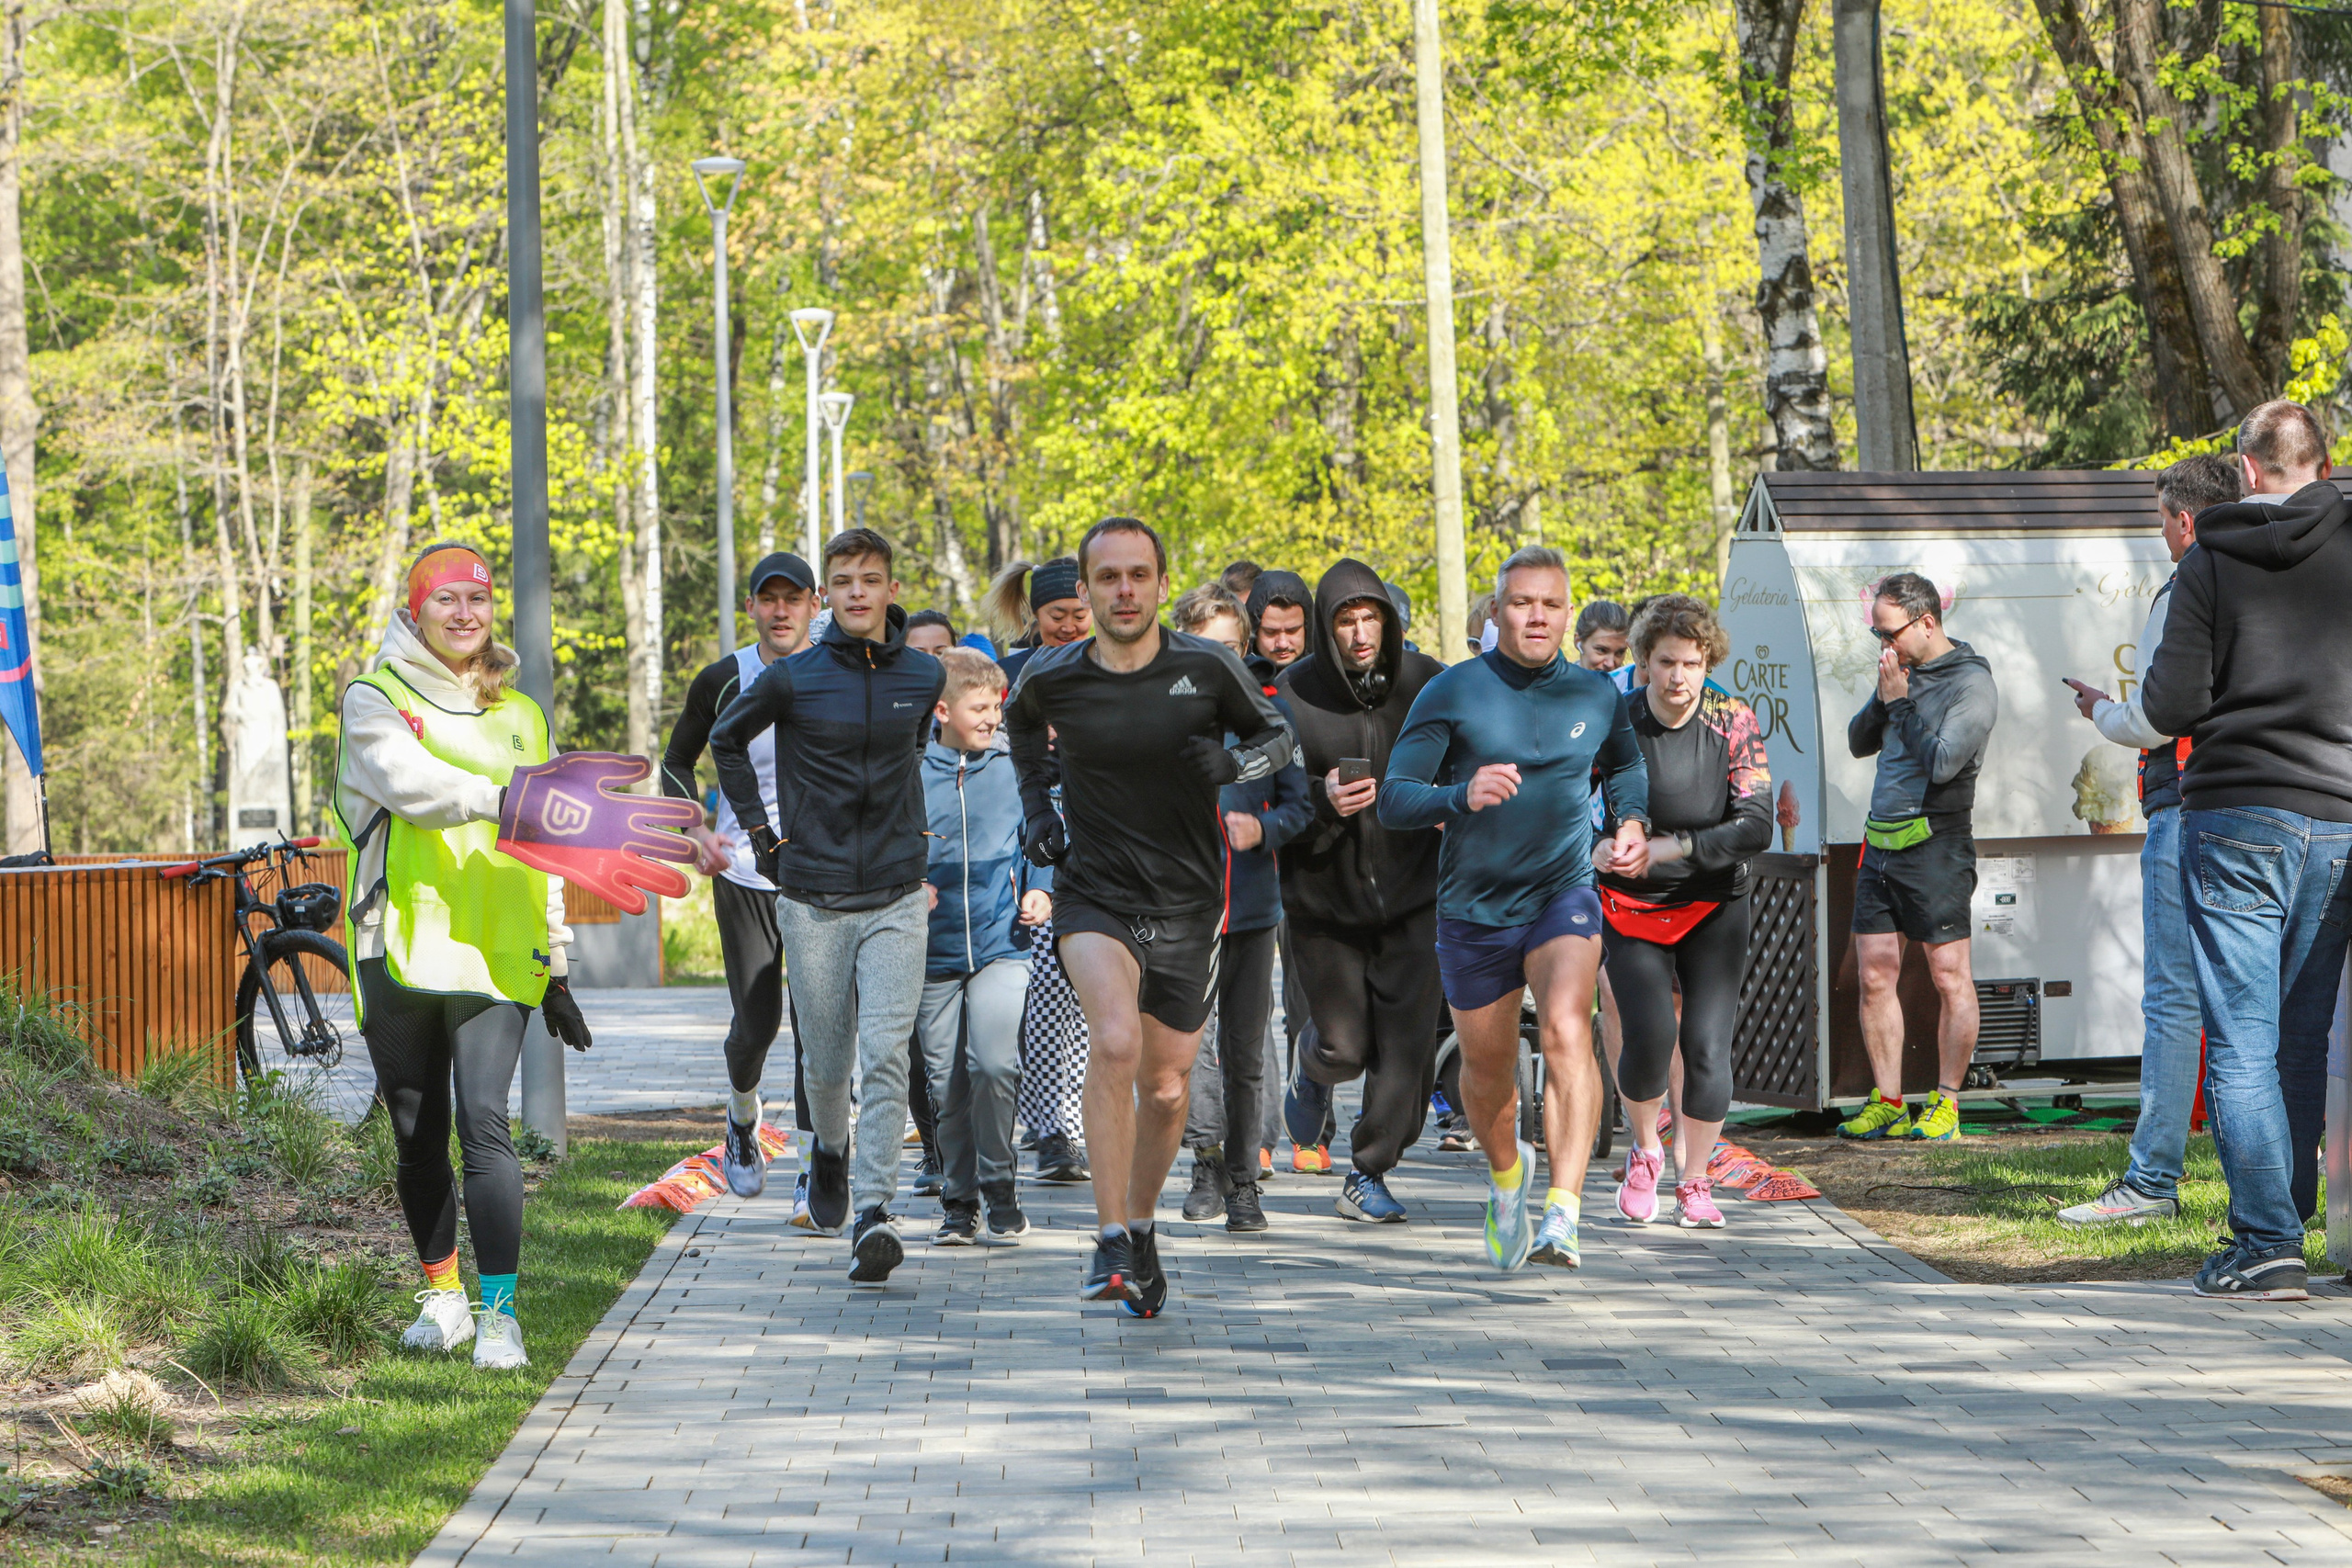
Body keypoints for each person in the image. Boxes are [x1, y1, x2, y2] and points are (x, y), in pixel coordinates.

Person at [1005, 517, 1294, 1314]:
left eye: (1139, 575)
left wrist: (1231, 762)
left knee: (1166, 1089)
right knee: (1117, 1039)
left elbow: (1280, 740)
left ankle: (1140, 1226)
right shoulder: (1050, 674)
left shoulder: (1208, 668)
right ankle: (1106, 1240)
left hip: (1189, 902)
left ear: (1162, 585)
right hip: (1093, 890)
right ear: (1086, 589)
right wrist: (1037, 807)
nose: (1124, 591)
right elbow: (1020, 730)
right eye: (1108, 577)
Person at [335, 542, 595, 1371]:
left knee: (485, 1122)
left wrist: (556, 962)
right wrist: (508, 796)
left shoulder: (521, 714)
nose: (463, 614)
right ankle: (443, 1298)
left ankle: (501, 1315)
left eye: (476, 601)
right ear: (415, 613)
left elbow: (549, 843)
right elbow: (411, 785)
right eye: (445, 600)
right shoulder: (373, 699)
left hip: (494, 943)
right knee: (418, 1133)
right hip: (397, 942)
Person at [1379, 546, 1649, 1272]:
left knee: (1567, 1028)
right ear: (1495, 611)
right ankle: (1508, 1179)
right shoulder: (1453, 691)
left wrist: (1630, 820)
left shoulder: (1595, 695)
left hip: (1563, 892)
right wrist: (1456, 795)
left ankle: (1563, 1209)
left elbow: (1625, 763)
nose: (1537, 615)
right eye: (1522, 602)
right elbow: (1393, 797)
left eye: (1551, 604)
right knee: (1486, 1067)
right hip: (1473, 905)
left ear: (1567, 612)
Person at [2144, 400, 2352, 1302]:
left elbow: (2169, 705)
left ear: (2245, 469)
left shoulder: (2211, 560)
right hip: (2341, 813)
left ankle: (2266, 1241)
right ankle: (2291, 1225)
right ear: (2326, 459)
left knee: (2239, 1039)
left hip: (2236, 816)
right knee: (2301, 1040)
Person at [710, 527, 945, 1286]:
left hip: (898, 895)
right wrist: (762, 836)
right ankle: (830, 1150)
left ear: (888, 589)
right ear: (829, 595)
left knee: (884, 1051)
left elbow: (911, 752)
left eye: (867, 580)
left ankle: (875, 1211)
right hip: (810, 896)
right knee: (828, 1061)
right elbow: (725, 740)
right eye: (841, 581)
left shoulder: (925, 673)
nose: (854, 593)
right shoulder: (793, 678)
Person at [2058, 455, 2241, 1230]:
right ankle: (2269, 1189)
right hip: (2263, 807)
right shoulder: (2272, 578)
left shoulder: (2190, 583)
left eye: (2161, 519)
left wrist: (2103, 710)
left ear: (2185, 519)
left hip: (2187, 800)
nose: (2160, 534)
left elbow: (2158, 714)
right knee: (2246, 1002)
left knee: (2172, 996)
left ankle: (2152, 1179)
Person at [1276, 558, 1446, 1224]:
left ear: (1388, 619)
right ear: (1326, 627)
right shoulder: (1291, 694)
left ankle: (1368, 1169)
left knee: (1406, 1053)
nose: (1358, 632)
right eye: (1344, 620)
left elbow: (1472, 750)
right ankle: (1311, 1068)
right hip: (1324, 904)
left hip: (1415, 894)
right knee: (1346, 1046)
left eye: (1369, 616)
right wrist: (1320, 800)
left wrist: (1448, 799)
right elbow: (1264, 797)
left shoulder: (1427, 681)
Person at [1597, 596, 1772, 1233]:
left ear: (1708, 662)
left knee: (1705, 1045)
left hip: (1714, 899)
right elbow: (1571, 800)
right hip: (1632, 902)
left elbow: (1756, 824)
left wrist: (1680, 846)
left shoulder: (1734, 719)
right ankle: (1645, 1149)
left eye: (1692, 663)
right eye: (1666, 662)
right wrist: (1596, 843)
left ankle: (1694, 1178)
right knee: (1649, 1036)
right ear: (1643, 662)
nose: (1678, 678)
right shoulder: (1615, 719)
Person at [659, 552, 819, 1204]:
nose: (781, 611)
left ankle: (817, 1167)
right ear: (750, 607)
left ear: (815, 604)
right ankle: (742, 1117)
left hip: (821, 875)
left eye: (793, 598)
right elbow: (675, 760)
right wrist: (696, 829)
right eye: (767, 599)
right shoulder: (724, 679)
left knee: (821, 1025)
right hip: (746, 872)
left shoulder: (838, 668)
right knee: (758, 1023)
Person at [1169, 584, 1313, 1233]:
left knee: (1246, 1047)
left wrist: (1265, 829)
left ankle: (1246, 1179)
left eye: (1231, 646)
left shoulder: (1269, 715)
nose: (1220, 658)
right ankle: (1205, 1163)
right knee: (1191, 1046)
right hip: (1184, 911)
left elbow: (1300, 805)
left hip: (1253, 908)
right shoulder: (1162, 717)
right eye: (1207, 647)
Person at [1838, 572, 1997, 1145]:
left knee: (1949, 974)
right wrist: (1887, 702)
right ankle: (1888, 1099)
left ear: (1926, 622)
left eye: (1890, 632)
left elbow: (1944, 763)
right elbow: (1859, 741)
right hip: (1879, 843)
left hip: (1937, 844)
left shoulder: (1971, 682)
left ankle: (1948, 1102)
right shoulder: (1898, 672)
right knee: (1875, 974)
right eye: (1876, 634)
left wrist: (1901, 704)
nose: (1884, 645)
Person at [919, 648, 1050, 1246]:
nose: (993, 718)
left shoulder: (1012, 766)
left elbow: (1045, 836)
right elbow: (889, 843)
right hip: (930, 952)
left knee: (994, 1063)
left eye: (997, 706)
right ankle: (958, 1200)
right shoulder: (910, 771)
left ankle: (1000, 1185)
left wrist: (1042, 889)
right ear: (942, 709)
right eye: (980, 708)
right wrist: (907, 884)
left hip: (1004, 941)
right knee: (945, 1080)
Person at [987, 556, 1094, 1185]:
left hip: (1101, 833)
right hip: (1030, 835)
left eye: (1080, 614)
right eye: (1059, 616)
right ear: (1035, 615)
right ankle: (1052, 1129)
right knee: (1043, 989)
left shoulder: (1113, 666)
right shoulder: (1010, 675)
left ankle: (1073, 1123)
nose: (1072, 626)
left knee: (1084, 994)